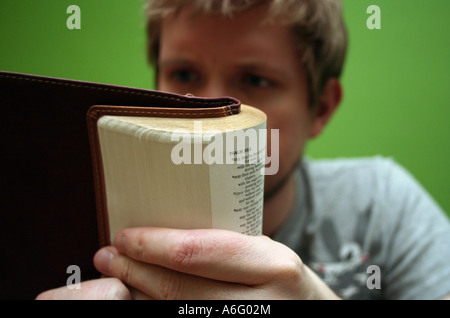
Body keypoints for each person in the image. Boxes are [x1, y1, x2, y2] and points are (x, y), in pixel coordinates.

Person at [37, 0, 450, 300]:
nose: (211, 111)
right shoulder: (70, 214)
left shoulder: (382, 206)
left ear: (321, 107)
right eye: (183, 74)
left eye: (255, 80)